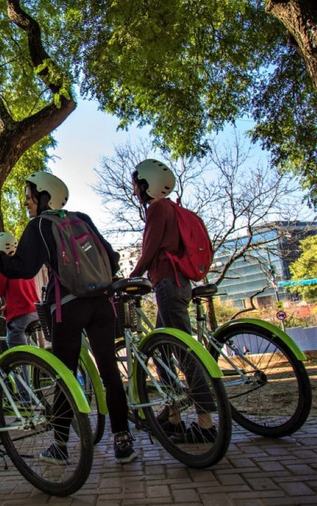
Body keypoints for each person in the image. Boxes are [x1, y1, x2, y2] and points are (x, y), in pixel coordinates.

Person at [0, 171, 137, 464]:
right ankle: (123, 442)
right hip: (102, 304)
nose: (26, 203)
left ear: (44, 196)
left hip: (68, 306)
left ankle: (59, 445)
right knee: (109, 373)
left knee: (64, 375)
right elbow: (111, 255)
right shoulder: (81, 218)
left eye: (29, 197)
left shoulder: (39, 226)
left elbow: (23, 268)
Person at [130, 158, 217, 443]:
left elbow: (150, 248)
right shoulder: (171, 208)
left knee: (184, 352)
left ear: (146, 184)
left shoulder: (157, 208)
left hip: (168, 283)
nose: (134, 190)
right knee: (162, 350)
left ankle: (205, 423)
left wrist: (131, 277)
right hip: (177, 283)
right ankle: (173, 415)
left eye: (136, 185)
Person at [0, 232, 39, 350]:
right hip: (34, 313)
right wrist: (7, 307)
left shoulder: (3, 267)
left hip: (20, 317)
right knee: (29, 350)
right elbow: (21, 293)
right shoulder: (22, 263)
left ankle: (23, 367)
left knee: (16, 350)